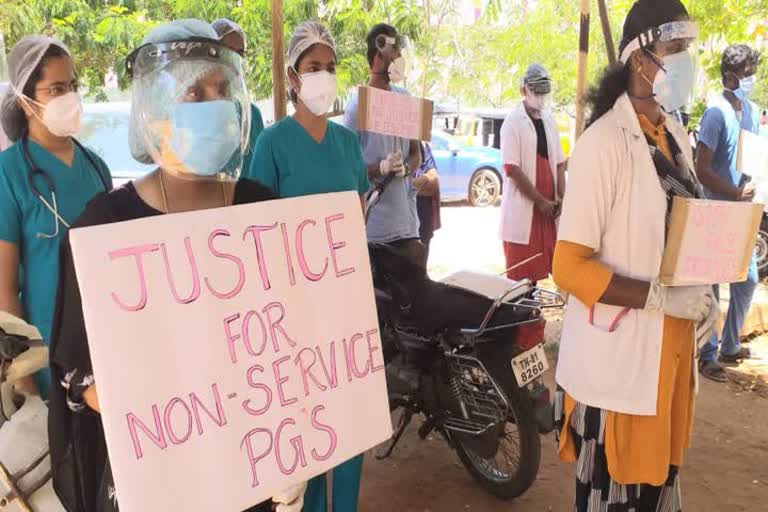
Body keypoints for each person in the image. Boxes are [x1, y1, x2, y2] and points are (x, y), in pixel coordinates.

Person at [47, 20, 280, 512]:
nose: (215, 105)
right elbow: (77, 370)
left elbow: (295, 343)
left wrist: (292, 455)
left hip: (254, 467)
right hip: (158, 485)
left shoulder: (261, 211)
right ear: (154, 111)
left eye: (222, 89)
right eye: (194, 92)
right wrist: (155, 416)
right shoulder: (103, 228)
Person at [551, 1, 716, 510]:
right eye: (675, 50)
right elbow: (567, 267)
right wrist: (660, 298)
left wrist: (704, 292)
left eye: (688, 49)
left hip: (667, 367)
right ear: (640, 60)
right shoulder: (603, 144)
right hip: (616, 376)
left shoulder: (675, 136)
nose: (686, 61)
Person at [249, 21, 369, 512]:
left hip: (343, 311)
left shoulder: (347, 145)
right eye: (313, 67)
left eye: (331, 67)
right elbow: (254, 237)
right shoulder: (272, 145)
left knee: (349, 429)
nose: (324, 76)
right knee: (304, 435)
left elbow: (355, 225)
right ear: (293, 77)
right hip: (291, 317)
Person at [0, 36, 112, 397]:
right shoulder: (9, 173)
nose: (71, 98)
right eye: (57, 89)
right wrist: (23, 378)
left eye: (74, 86)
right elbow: (3, 288)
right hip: (46, 353)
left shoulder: (97, 168)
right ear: (25, 100)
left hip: (104, 347)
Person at [696, 44, 762, 382]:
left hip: (743, 211)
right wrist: (734, 192)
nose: (751, 79)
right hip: (718, 210)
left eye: (753, 72)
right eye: (746, 74)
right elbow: (701, 168)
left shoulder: (751, 111)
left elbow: (755, 157)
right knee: (713, 286)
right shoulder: (715, 114)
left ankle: (730, 345)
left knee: (747, 279)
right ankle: (708, 355)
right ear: (728, 77)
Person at [343, 23, 423, 266]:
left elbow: (416, 153)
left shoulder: (405, 99)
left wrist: (406, 168)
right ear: (379, 55)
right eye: (395, 53)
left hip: (407, 225)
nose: (400, 58)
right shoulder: (357, 108)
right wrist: (381, 168)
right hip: (375, 230)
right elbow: (348, 172)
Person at [498, 64, 566, 282]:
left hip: (550, 211)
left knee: (557, 267)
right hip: (526, 210)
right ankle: (524, 314)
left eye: (543, 92)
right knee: (523, 277)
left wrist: (561, 198)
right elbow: (512, 169)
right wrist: (540, 201)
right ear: (524, 91)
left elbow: (559, 163)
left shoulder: (549, 120)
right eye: (535, 92)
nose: (540, 97)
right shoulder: (512, 122)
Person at [212, 18, 265, 174]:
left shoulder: (252, 115)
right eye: (228, 51)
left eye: (239, 53)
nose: (234, 59)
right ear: (212, 52)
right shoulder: (201, 112)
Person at [414, 141, 440, 261]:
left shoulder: (423, 145)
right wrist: (424, 179)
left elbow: (433, 182)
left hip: (423, 217)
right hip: (402, 226)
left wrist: (411, 185)